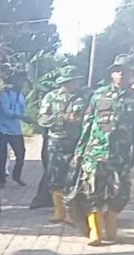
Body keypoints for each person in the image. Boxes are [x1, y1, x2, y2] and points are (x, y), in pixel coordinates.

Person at [70, 54, 134, 246]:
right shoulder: (98, 95)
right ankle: (95, 230)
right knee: (91, 191)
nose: (120, 74)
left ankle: (111, 218)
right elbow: (87, 125)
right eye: (117, 71)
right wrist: (79, 152)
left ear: (132, 75)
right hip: (94, 153)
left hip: (121, 155)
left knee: (121, 193)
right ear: (112, 74)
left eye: (125, 71)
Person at [35, 71, 86, 223]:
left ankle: (72, 212)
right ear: (65, 83)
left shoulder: (84, 98)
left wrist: (79, 120)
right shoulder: (51, 97)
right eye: (73, 81)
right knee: (55, 177)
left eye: (77, 81)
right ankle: (59, 211)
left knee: (74, 177)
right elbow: (42, 119)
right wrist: (62, 118)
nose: (76, 84)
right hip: (56, 143)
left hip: (76, 143)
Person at [0, 72, 33, 187]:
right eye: (20, 80)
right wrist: (22, 117)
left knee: (21, 154)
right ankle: (1, 180)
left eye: (23, 81)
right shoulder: (5, 94)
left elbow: (23, 111)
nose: (21, 83)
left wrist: (26, 118)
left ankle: (17, 176)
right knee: (1, 156)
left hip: (16, 129)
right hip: (2, 129)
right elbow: (6, 111)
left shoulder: (22, 96)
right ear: (14, 81)